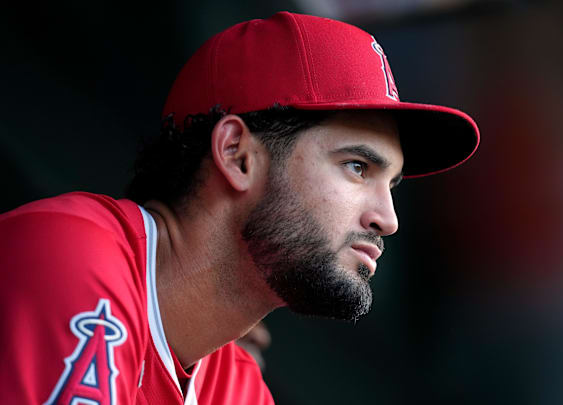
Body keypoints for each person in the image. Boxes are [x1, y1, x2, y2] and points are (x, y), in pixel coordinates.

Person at [0, 11, 479, 405]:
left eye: (391, 183)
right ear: (237, 155)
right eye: (357, 166)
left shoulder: (236, 388)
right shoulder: (69, 256)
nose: (388, 219)